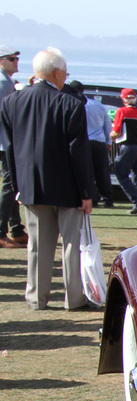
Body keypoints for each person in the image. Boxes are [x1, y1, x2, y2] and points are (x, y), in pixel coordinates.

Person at [0, 48, 96, 310]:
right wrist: (86, 192)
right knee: (70, 246)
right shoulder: (71, 104)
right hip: (68, 189)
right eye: (65, 72)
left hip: (31, 186)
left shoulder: (12, 102)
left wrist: (18, 186)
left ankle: (36, 298)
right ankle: (73, 298)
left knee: (38, 246)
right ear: (56, 72)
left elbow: (9, 150)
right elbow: (78, 152)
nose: (65, 76)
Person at [110, 87, 137, 214]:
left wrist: (110, 135)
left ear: (123, 99)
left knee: (120, 172)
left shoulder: (121, 112)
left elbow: (117, 132)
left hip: (128, 147)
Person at [72, 82, 113, 207]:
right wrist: (108, 141)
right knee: (102, 173)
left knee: (87, 172)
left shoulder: (74, 105)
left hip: (84, 142)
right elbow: (107, 125)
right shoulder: (98, 106)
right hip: (99, 142)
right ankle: (107, 199)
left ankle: (92, 198)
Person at [0, 46, 23, 246]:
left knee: (12, 183)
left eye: (16, 58)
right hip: (4, 141)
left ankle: (16, 228)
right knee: (9, 184)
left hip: (4, 139)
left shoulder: (6, 81)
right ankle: (1, 231)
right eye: (10, 59)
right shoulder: (3, 83)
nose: (15, 62)